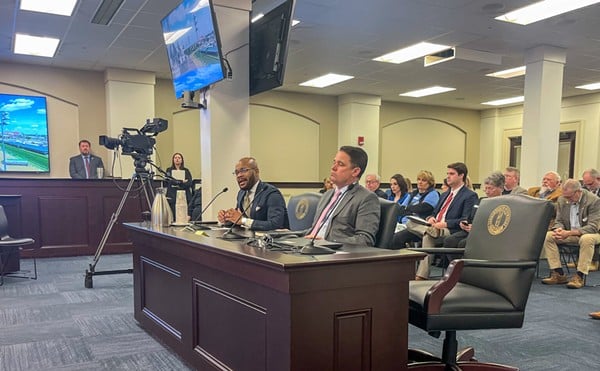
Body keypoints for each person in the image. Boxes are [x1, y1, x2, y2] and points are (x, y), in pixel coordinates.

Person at [305, 146, 380, 246]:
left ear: (355, 171)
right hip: (310, 248)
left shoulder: (366, 198)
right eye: (334, 162)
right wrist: (285, 234)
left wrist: (326, 242)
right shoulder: (327, 195)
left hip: (334, 255)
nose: (333, 168)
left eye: (340, 164)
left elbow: (364, 240)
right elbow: (313, 232)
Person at [415, 162, 478, 279]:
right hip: (435, 226)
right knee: (411, 223)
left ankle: (421, 276)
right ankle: (431, 229)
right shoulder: (444, 194)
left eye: (452, 174)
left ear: (461, 175)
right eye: (447, 173)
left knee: (428, 236)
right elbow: (434, 213)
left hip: (451, 229)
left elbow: (465, 219)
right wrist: (431, 218)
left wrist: (446, 223)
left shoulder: (469, 195)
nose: (448, 176)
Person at [541, 179, 600, 289]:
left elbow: (593, 227)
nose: (566, 200)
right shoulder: (562, 199)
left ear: (578, 192)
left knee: (586, 239)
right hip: (570, 234)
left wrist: (569, 233)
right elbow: (559, 220)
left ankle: (579, 276)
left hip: (592, 234)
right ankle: (558, 274)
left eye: (569, 197)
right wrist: (558, 229)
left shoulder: (594, 201)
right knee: (549, 236)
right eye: (565, 196)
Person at [218, 157, 288, 231]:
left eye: (244, 170)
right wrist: (228, 219)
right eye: (237, 172)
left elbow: (275, 225)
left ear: (256, 172)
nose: (239, 175)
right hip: (251, 238)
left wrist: (243, 221)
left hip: (273, 240)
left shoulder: (271, 194)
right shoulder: (241, 194)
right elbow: (239, 219)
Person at [443, 172, 505, 249]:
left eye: (490, 188)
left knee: (463, 244)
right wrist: (465, 223)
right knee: (449, 241)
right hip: (470, 230)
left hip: (485, 233)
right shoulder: (481, 201)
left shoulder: (503, 204)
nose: (487, 191)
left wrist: (477, 228)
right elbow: (470, 216)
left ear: (501, 188)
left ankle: (464, 261)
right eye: (486, 188)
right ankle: (455, 261)